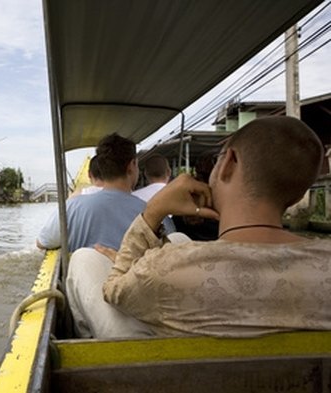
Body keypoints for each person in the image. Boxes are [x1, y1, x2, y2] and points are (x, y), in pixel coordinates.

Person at [68, 116, 331, 338]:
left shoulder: (165, 268)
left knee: (83, 259)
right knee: (180, 238)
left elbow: (114, 289)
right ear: (297, 195)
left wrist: (153, 212)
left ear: (228, 163)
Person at [36, 133, 174, 253]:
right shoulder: (153, 213)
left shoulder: (72, 207)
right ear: (132, 166)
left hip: (86, 281)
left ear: (101, 167)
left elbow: (42, 242)